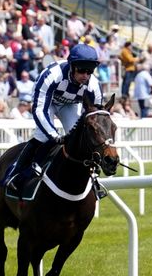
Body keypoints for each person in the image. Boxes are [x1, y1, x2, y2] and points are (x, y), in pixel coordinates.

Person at [6, 44, 103, 196]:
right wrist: (54, 135)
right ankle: (15, 175)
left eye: (89, 71)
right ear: (72, 66)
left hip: (70, 105)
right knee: (43, 136)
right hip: (47, 103)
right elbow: (39, 110)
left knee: (81, 138)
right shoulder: (52, 75)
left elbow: (95, 117)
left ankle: (93, 180)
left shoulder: (93, 86)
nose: (85, 75)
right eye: (81, 70)